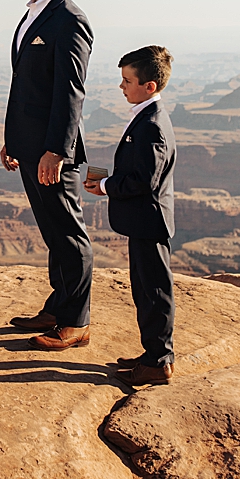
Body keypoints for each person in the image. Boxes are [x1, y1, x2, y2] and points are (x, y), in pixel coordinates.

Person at [0, 0, 95, 350]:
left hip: (53, 152)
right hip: (30, 147)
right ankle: (59, 306)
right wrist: (12, 140)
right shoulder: (35, 13)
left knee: (69, 234)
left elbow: (70, 91)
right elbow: (25, 85)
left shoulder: (69, 19)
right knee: (53, 233)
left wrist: (57, 150)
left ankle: (77, 321)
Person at [84, 47, 176, 385]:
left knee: (153, 292)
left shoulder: (151, 124)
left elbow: (143, 180)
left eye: (127, 81)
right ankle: (153, 354)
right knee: (146, 289)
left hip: (149, 220)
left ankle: (159, 361)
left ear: (149, 86)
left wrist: (106, 185)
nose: (122, 87)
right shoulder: (148, 115)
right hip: (145, 220)